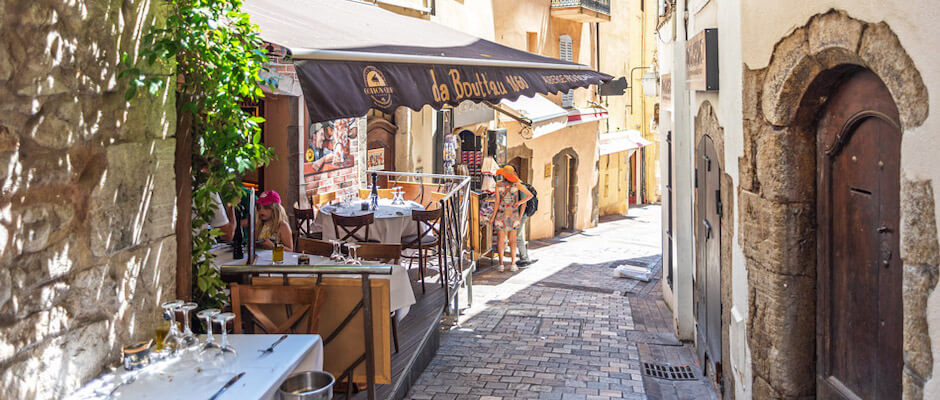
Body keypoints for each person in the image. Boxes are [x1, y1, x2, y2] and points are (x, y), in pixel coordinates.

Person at [489, 165, 533, 272]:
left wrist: (492, 217)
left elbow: (497, 203)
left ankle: (501, 264)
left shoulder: (498, 185)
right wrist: (519, 203)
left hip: (501, 215)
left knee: (500, 240)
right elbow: (529, 195)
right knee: (512, 241)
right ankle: (513, 264)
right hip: (513, 216)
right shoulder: (517, 184)